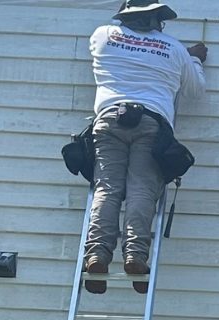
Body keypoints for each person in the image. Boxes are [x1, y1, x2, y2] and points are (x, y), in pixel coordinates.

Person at [84, 0, 207, 294]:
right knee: (141, 188)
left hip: (109, 119)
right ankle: (135, 256)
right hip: (151, 123)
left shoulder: (102, 35)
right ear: (156, 18)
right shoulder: (173, 48)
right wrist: (194, 60)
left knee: (107, 188)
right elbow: (195, 90)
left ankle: (97, 255)